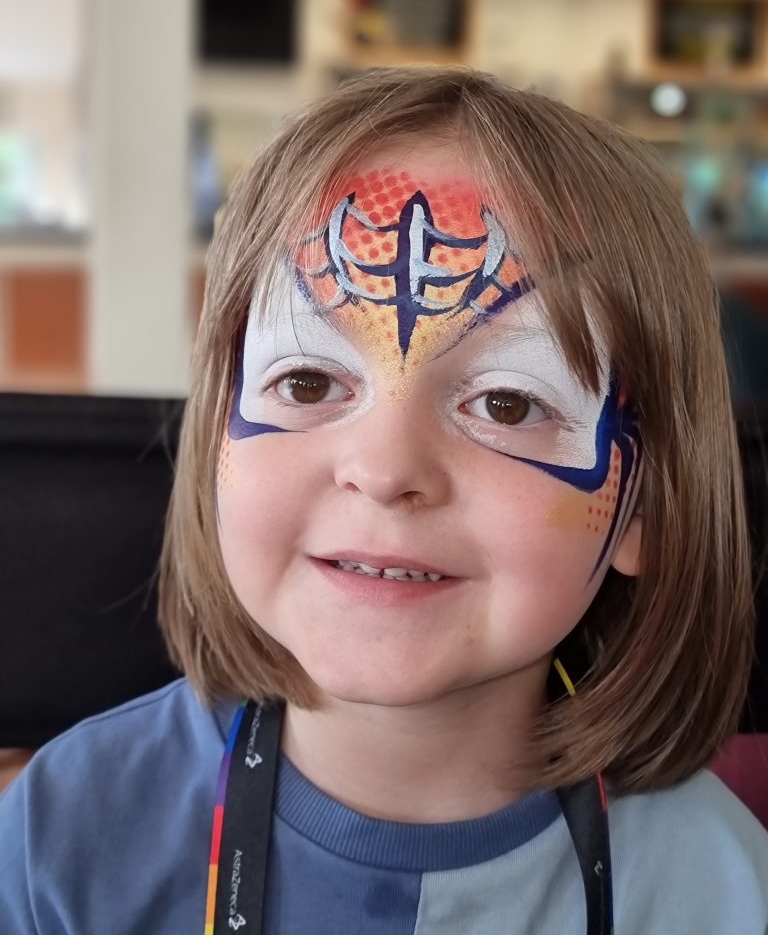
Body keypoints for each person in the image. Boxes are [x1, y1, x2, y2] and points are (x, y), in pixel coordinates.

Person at [1, 67, 767, 934]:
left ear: (645, 500)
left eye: (508, 403)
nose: (383, 466)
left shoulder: (726, 893)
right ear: (218, 438)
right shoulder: (60, 839)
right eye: (308, 380)